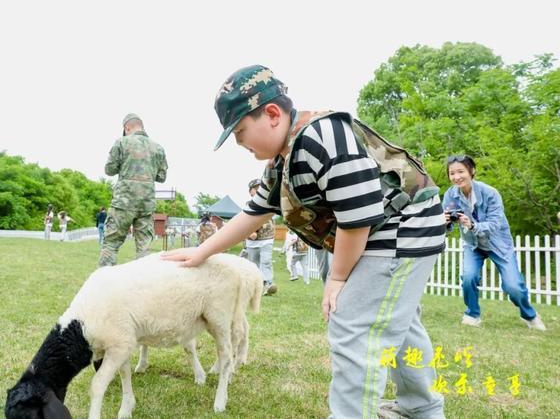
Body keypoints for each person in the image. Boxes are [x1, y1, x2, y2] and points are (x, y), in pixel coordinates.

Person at [163, 65, 447, 418]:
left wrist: (338, 278)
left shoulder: (320, 136)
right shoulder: (282, 163)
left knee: (352, 324)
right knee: (396, 323)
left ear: (271, 114)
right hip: (387, 229)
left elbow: (357, 215)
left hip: (402, 228)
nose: (239, 143)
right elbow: (253, 212)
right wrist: (201, 251)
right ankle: (421, 408)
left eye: (240, 131)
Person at [443, 155, 546, 331]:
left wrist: (473, 224)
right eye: (452, 173)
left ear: (472, 171)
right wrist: (444, 221)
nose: (456, 177)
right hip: (473, 244)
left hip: (498, 244)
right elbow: (447, 226)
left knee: (513, 286)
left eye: (461, 171)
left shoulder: (490, 193)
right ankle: (472, 314)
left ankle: (530, 315)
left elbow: (495, 224)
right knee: (468, 278)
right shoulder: (450, 194)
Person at [99, 113, 168, 265]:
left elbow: (109, 170)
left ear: (127, 128)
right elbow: (162, 177)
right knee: (144, 249)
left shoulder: (122, 142)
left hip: (123, 202)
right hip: (146, 204)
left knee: (110, 244)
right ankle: (143, 285)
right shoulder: (158, 148)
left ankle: (104, 284)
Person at [246, 178, 277, 296]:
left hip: (267, 239)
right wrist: (249, 232)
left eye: (260, 188)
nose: (259, 190)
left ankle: (268, 283)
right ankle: (256, 285)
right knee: (253, 264)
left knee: (266, 261)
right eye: (256, 188)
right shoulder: (248, 205)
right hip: (252, 241)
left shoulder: (269, 202)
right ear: (250, 191)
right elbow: (246, 222)